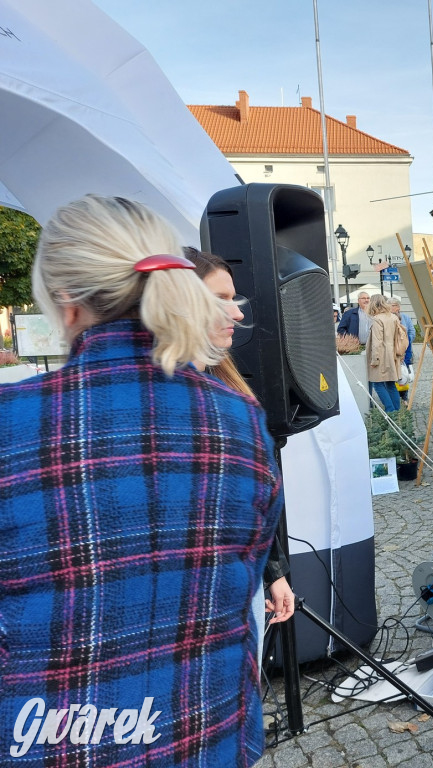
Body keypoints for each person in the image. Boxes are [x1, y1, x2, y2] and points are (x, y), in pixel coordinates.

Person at [0, 195, 282, 766]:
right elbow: (240, 584)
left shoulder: (13, 423)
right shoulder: (240, 420)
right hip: (207, 736)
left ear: (67, 305)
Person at [183, 248, 295, 646]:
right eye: (222, 300)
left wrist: (274, 572)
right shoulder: (164, 401)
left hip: (237, 589)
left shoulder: (227, 388)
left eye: (235, 299)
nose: (238, 314)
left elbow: (249, 505)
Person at [367, 293, 407, 412]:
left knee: (377, 384)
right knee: (390, 384)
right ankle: (397, 411)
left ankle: (390, 411)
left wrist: (374, 360)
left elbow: (377, 342)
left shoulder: (377, 319)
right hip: (393, 354)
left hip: (381, 355)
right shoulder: (393, 317)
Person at [389, 297, 416, 402]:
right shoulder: (387, 318)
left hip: (405, 349)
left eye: (393, 305)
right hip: (392, 350)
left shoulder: (405, 317)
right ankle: (394, 394)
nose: (392, 308)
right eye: (390, 306)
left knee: (404, 372)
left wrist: (405, 342)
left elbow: (412, 332)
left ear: (398, 307)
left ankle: (404, 395)